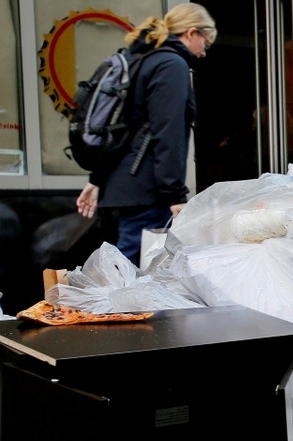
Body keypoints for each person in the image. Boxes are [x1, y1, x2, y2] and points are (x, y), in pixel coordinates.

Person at [75, 3, 216, 266]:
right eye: (205, 44)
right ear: (192, 32)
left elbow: (125, 130)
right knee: (130, 275)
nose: (204, 53)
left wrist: (97, 178)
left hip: (126, 188)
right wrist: (175, 195)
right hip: (147, 190)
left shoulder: (142, 61)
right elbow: (168, 132)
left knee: (129, 271)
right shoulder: (171, 65)